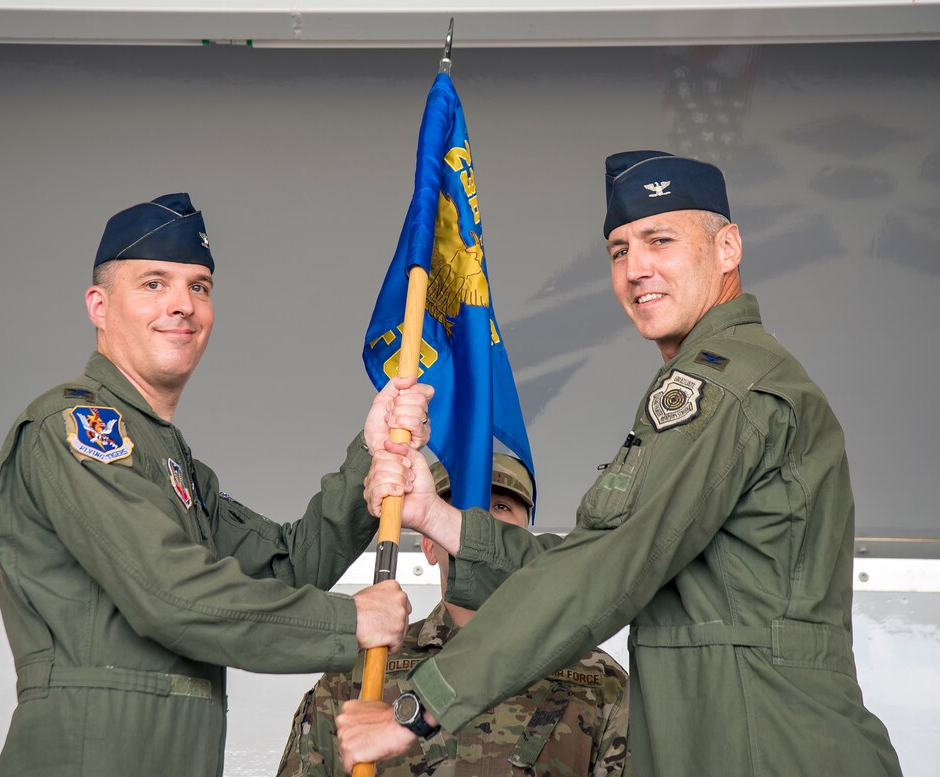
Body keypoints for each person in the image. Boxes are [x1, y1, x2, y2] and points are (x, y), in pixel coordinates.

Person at [336, 152, 904, 776]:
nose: (637, 269)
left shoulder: (723, 386)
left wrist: (417, 708)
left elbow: (605, 569)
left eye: (661, 240)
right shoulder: (733, 376)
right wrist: (436, 517)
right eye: (618, 250)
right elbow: (599, 559)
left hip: (766, 748)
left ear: (728, 248)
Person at [0, 192, 434, 777]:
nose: (182, 306)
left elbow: (285, 568)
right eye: (154, 284)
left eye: (198, 287)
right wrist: (348, 622)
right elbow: (169, 593)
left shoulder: (172, 461)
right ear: (99, 305)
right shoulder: (78, 429)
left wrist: (368, 457)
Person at [276, 454, 629, 777]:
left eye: (501, 508)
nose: (483, 524)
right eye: (462, 509)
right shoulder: (359, 675)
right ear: (429, 544)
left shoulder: (598, 677)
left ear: (525, 540)